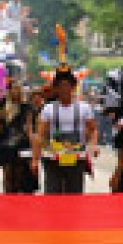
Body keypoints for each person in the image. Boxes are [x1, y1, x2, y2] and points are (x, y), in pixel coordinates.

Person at [31, 65, 98, 194]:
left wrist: (93, 145)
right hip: (53, 158)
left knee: (74, 193)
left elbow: (93, 129)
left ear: (73, 87)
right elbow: (40, 135)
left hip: (76, 158)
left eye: (67, 85)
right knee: (52, 192)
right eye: (60, 86)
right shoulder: (48, 109)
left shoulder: (84, 108)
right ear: (56, 88)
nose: (64, 89)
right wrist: (35, 159)